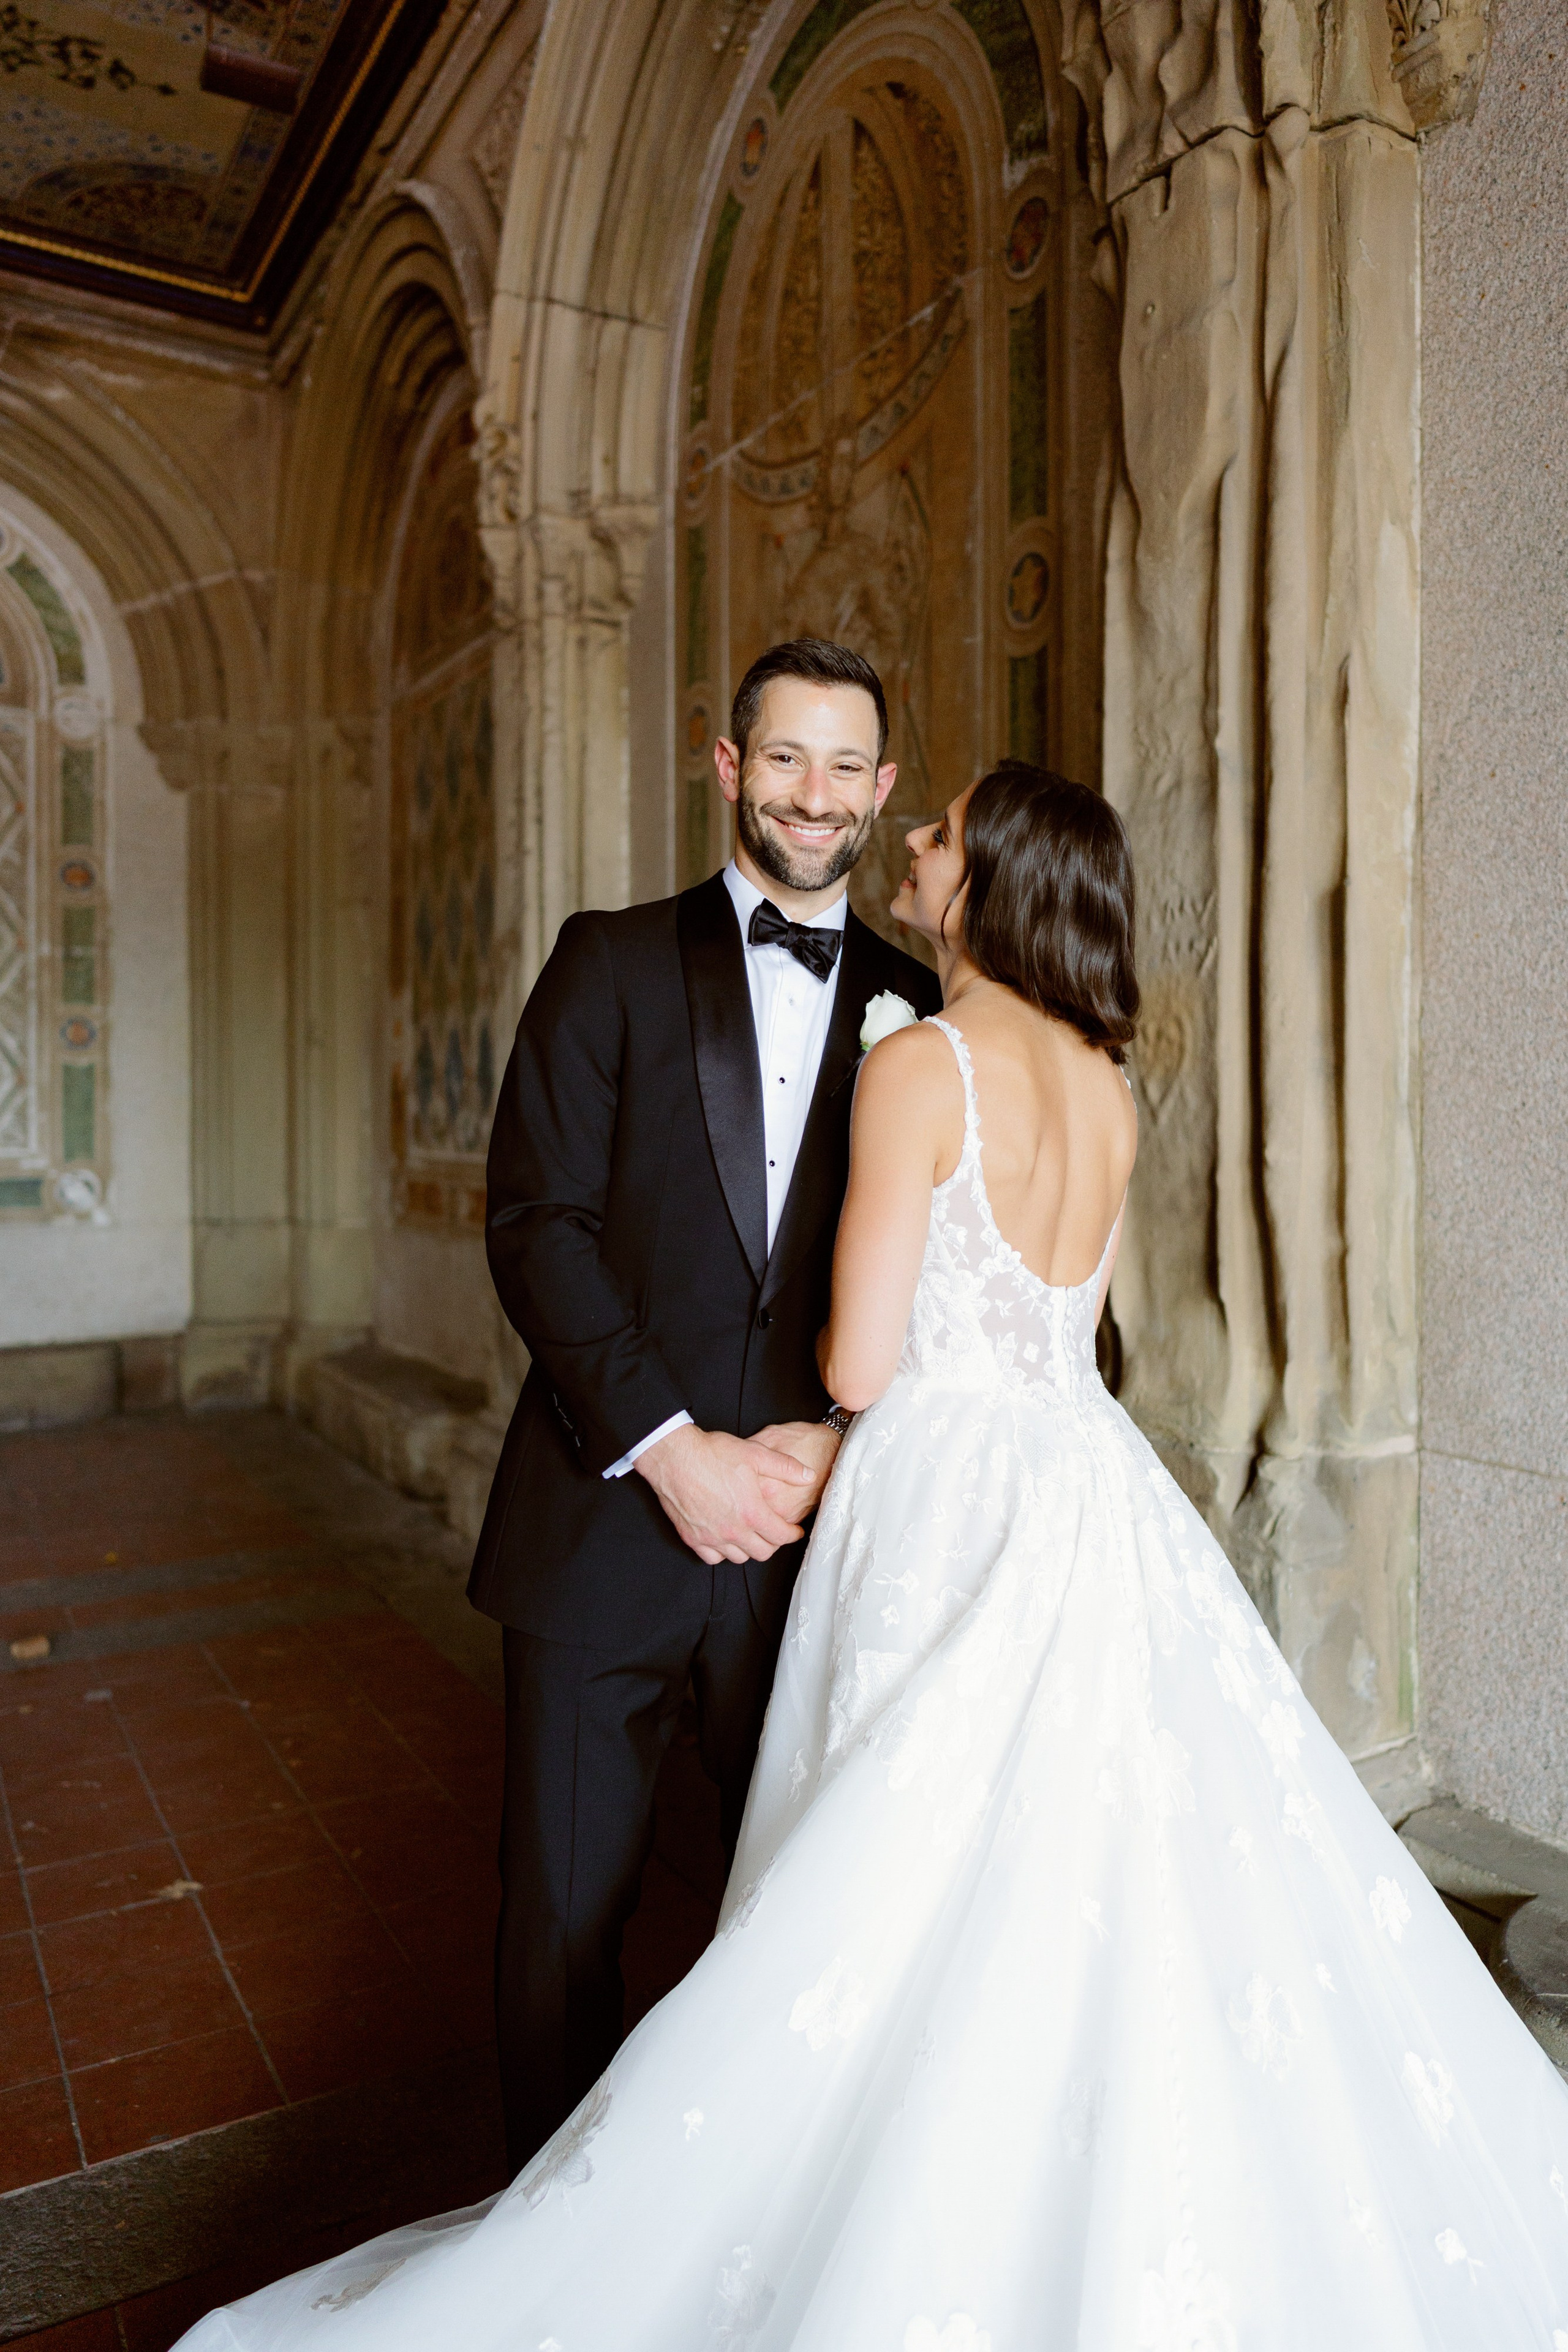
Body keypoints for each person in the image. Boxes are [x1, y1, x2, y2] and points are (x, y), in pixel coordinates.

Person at [177, 764, 1568, 2351]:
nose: (912, 845)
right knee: (1090, 1857)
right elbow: (1069, 1328)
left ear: (986, 884)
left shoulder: (921, 1062)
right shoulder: (1110, 1082)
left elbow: (858, 1356)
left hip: (947, 1488)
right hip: (1084, 1484)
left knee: (911, 1862)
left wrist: (814, 1419)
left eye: (940, 832)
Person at [467, 636, 941, 2173]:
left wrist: (834, 1443)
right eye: (782, 758)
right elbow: (536, 1223)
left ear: (882, 788)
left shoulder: (919, 1004)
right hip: (604, 1522)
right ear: (726, 767)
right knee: (559, 1923)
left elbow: (951, 1281)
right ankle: (536, 2251)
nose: (813, 794)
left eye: (843, 765)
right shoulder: (606, 959)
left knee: (800, 1926)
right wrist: (673, 1455)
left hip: (811, 1549)